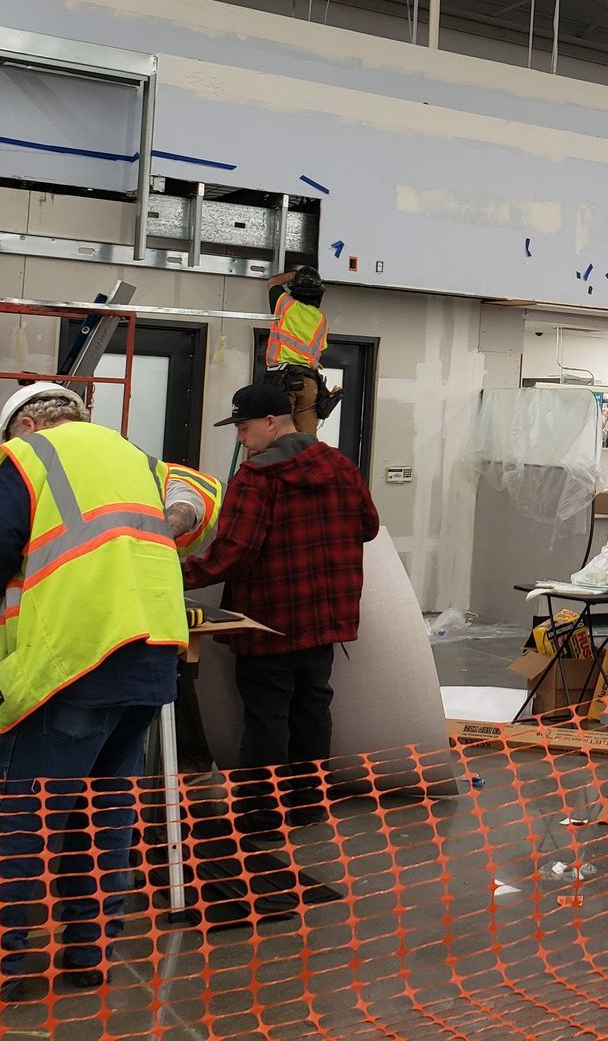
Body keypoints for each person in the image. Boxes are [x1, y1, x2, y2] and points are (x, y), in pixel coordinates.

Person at [0, 383, 186, 1011]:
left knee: (20, 822)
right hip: (150, 658)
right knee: (104, 818)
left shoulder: (32, 455)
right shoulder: (132, 457)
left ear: (26, 424)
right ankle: (89, 954)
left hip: (76, 664)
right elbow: (90, 555)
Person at [185, 384, 379, 821]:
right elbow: (368, 526)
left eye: (243, 428)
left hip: (268, 622)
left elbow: (232, 554)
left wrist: (173, 573)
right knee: (312, 711)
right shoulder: (340, 466)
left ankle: (263, 815)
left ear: (271, 422)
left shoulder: (256, 477)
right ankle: (309, 807)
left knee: (266, 718)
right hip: (325, 619)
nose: (240, 439)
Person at [159, 459, 225, 774]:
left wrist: (147, 547)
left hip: (209, 575)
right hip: (191, 575)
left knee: (188, 673)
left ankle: (193, 760)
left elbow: (183, 511)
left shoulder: (174, 485)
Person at [264, 265, 330, 434]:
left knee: (277, 435)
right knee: (306, 440)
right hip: (309, 382)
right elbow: (320, 348)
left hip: (282, 378)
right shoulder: (321, 319)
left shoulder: (285, 304)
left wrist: (293, 274)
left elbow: (273, 282)